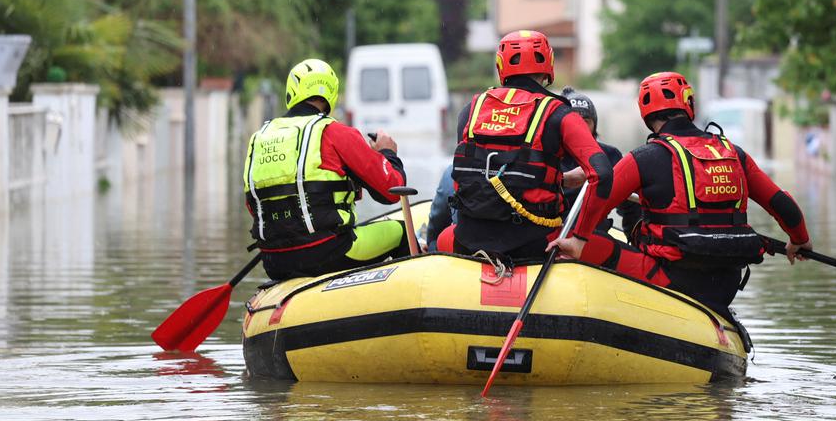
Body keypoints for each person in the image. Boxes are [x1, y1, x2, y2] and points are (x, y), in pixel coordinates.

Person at [549, 71, 811, 318]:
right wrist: (799, 239)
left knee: (576, 241)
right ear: (689, 104)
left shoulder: (643, 157)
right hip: (726, 283)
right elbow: (781, 203)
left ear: (645, 113)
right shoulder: (734, 153)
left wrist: (577, 239)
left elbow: (598, 201)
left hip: (672, 279)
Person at [438, 30, 613, 262]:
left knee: (441, 237)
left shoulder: (471, 109)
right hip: (534, 245)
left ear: (501, 66)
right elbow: (602, 173)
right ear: (548, 65)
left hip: (467, 241)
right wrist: (579, 238)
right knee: (606, 247)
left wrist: (561, 179)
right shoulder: (560, 113)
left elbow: (491, 169)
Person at [243, 59, 411, 281]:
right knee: (402, 233)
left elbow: (253, 206)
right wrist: (388, 154)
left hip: (274, 261)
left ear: (291, 92)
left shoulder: (259, 138)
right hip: (328, 253)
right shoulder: (335, 132)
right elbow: (392, 191)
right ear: (331, 94)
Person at [559, 87, 639, 237]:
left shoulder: (610, 155)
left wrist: (635, 237)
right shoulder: (544, 154)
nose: (579, 127)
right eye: (573, 120)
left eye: (586, 121)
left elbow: (631, 206)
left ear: (594, 125)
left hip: (594, 237)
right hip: (552, 235)